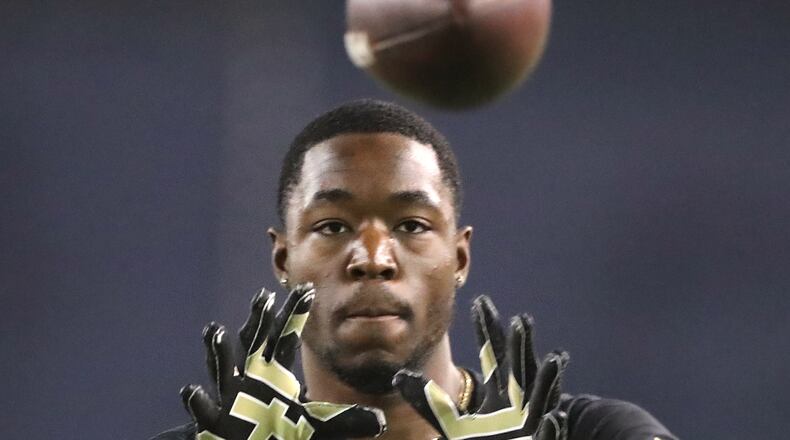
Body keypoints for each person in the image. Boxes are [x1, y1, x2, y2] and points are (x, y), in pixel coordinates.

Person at [151, 99, 677, 440]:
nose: (374, 259)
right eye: (333, 226)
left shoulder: (591, 433)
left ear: (460, 258)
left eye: (412, 225)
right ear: (284, 260)